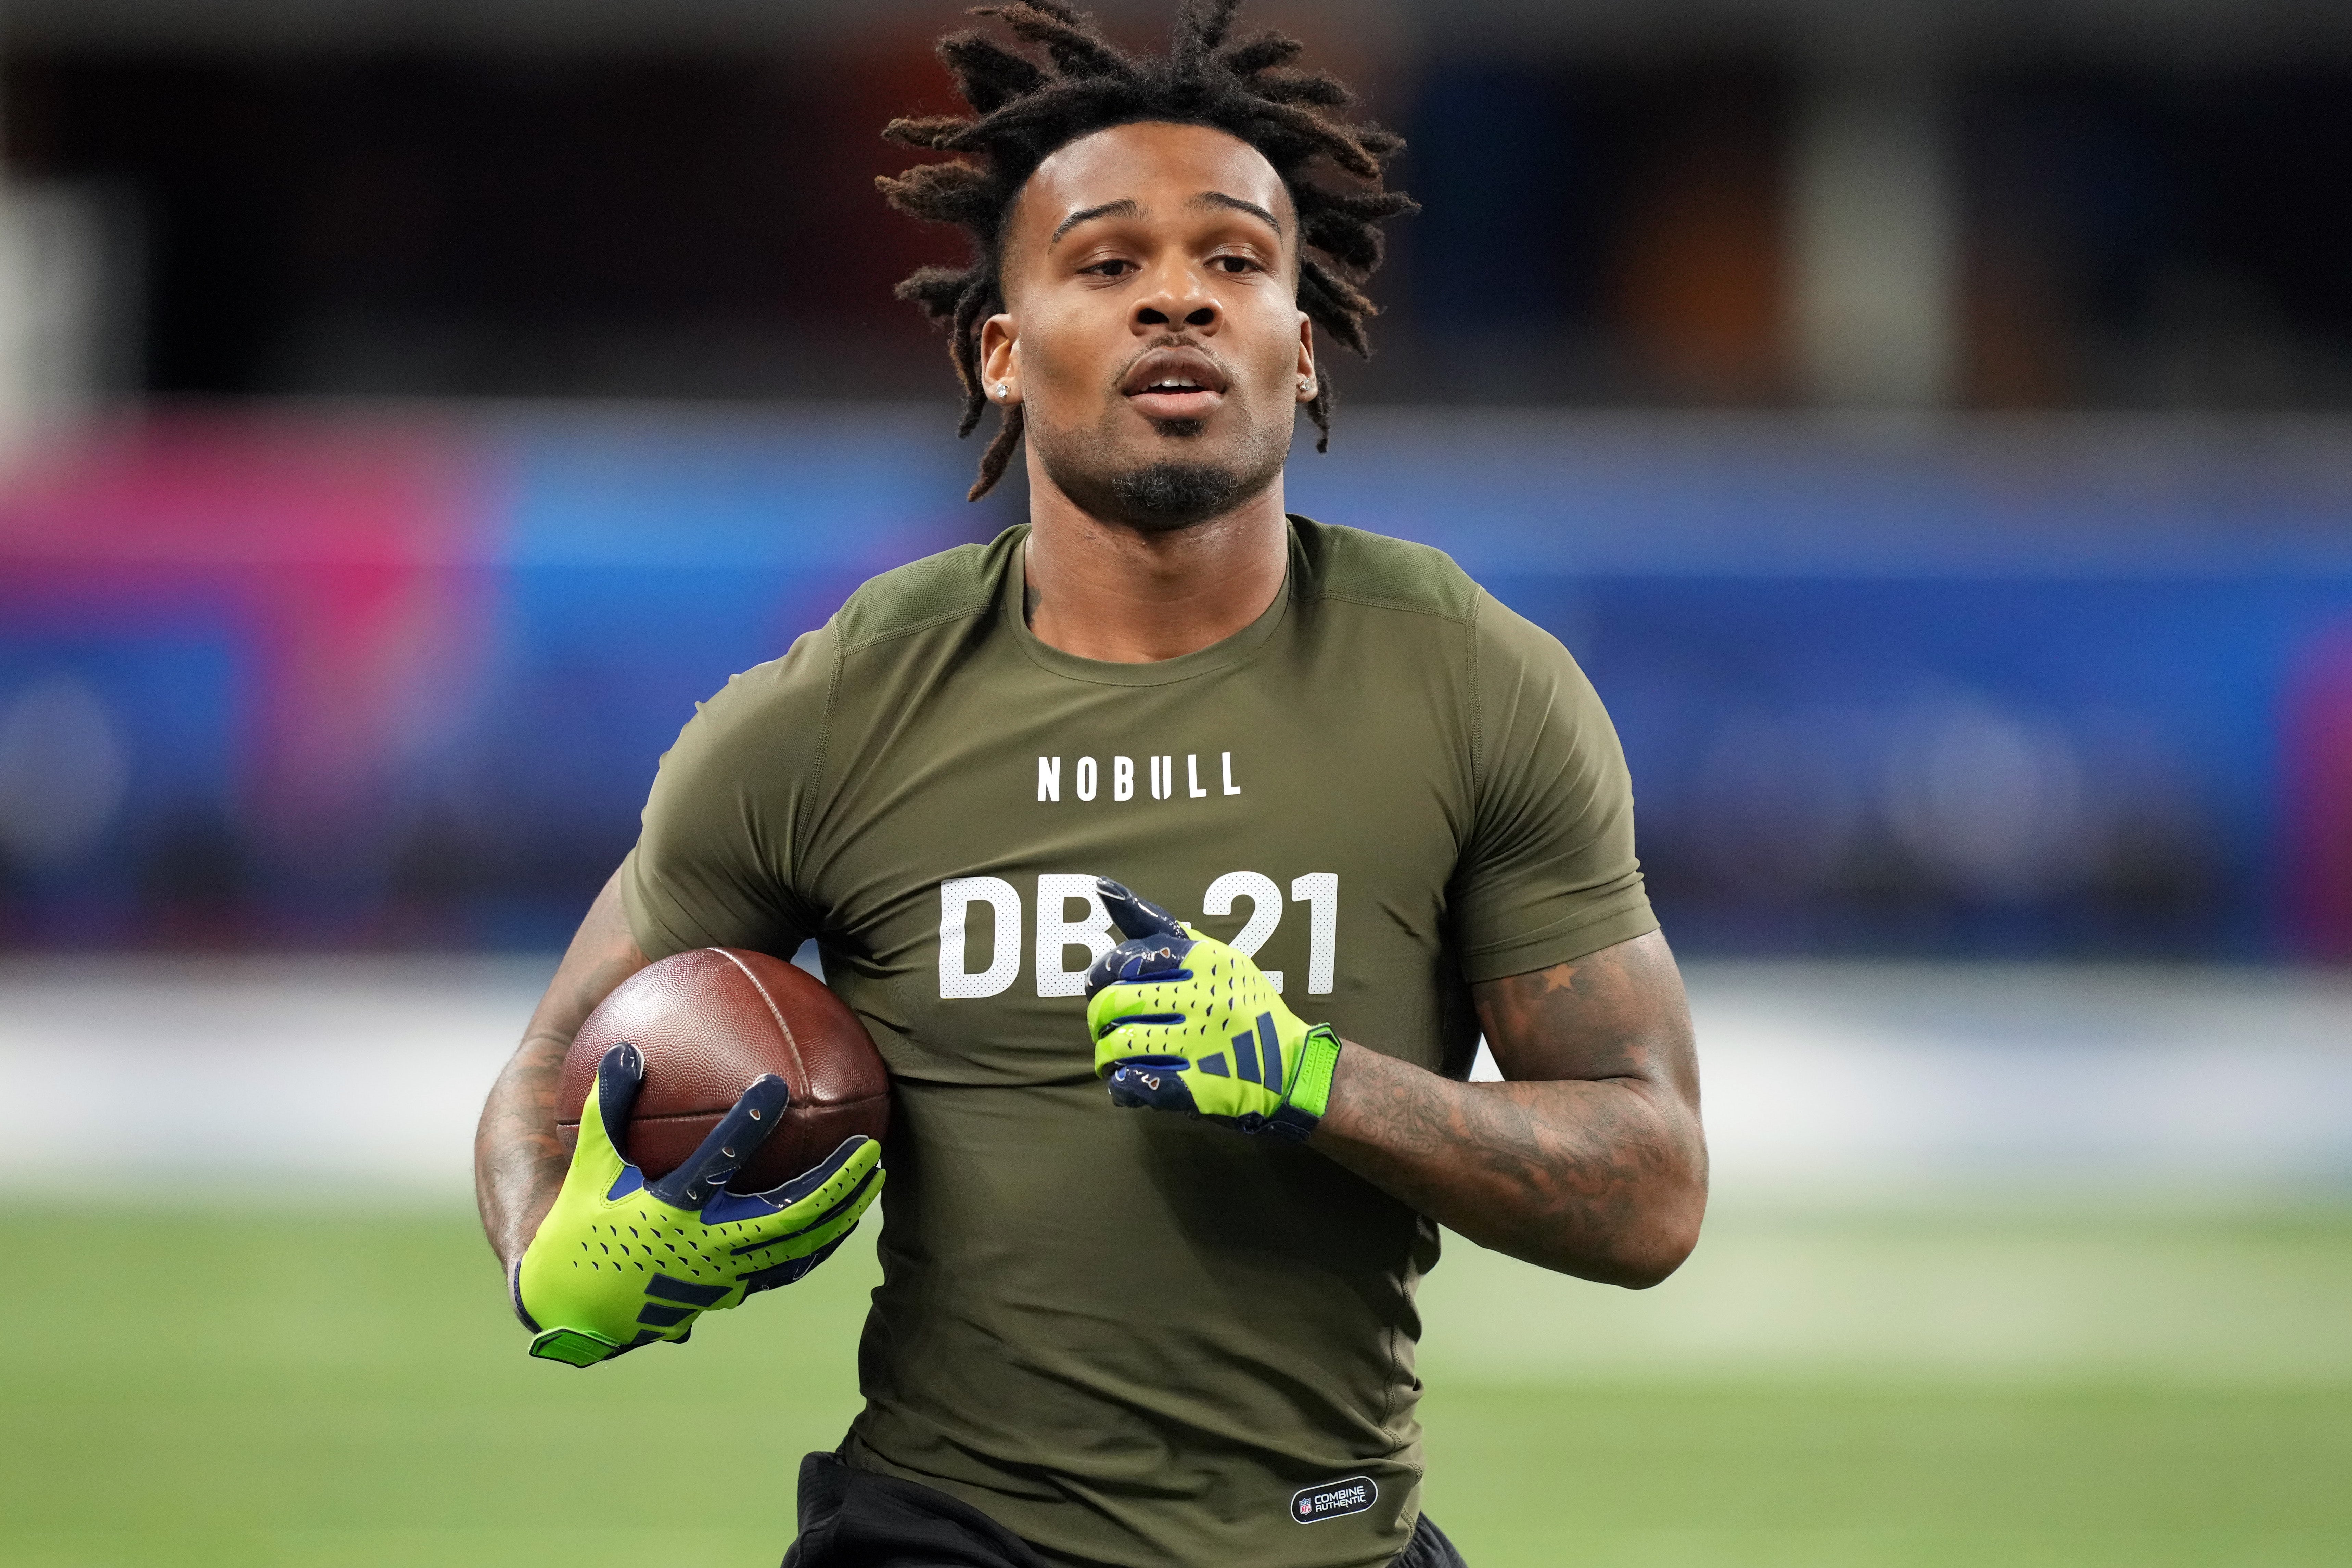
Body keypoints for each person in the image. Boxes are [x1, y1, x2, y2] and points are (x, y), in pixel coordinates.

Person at [473, 3, 1707, 1564]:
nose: (1177, 297)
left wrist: (1313, 1078)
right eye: (1109, 263)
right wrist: (553, 1253)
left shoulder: (1473, 684)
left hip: (1331, 1536)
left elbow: (1651, 1189)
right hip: (945, 1534)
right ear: (1001, 349)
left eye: (1234, 261)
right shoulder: (837, 709)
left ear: (1299, 344)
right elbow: (547, 1070)